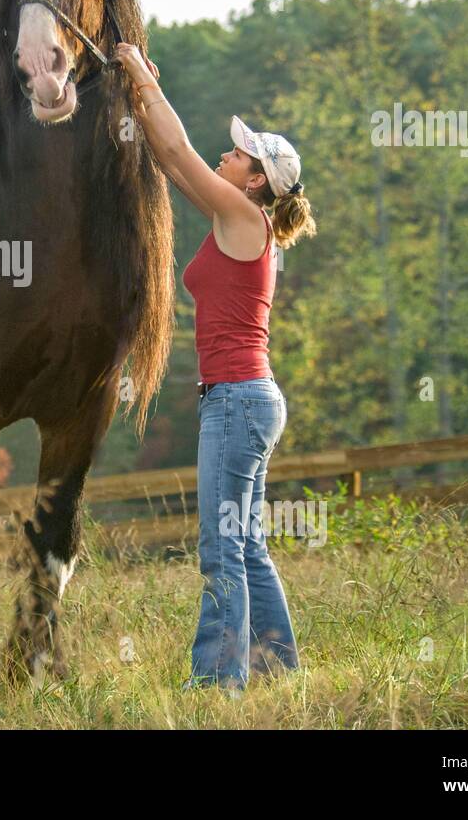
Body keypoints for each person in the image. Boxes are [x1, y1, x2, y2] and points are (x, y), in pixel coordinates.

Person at [115, 43, 317, 692]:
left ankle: (216, 684)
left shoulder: (240, 215)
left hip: (234, 403)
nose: (227, 154)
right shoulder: (241, 220)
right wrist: (144, 101)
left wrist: (144, 80)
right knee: (247, 543)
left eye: (238, 153)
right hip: (246, 400)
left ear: (256, 179)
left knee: (221, 547)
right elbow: (172, 158)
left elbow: (177, 158)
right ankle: (278, 669)